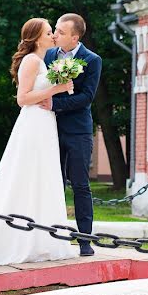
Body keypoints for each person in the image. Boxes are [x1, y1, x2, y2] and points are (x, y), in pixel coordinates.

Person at [0, 18, 79, 267]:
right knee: (26, 176)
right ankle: (16, 241)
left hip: (45, 124)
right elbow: (22, 98)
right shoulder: (31, 60)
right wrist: (55, 90)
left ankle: (41, 240)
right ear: (37, 38)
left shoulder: (44, 61)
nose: (53, 36)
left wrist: (61, 87)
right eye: (49, 32)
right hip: (33, 124)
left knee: (42, 177)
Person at [41, 13, 102, 257]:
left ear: (75, 37)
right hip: (49, 129)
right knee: (51, 184)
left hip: (78, 131)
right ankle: (49, 239)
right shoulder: (48, 55)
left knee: (80, 185)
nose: (55, 35)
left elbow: (87, 97)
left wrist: (55, 104)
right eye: (55, 30)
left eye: (61, 32)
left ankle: (85, 241)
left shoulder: (92, 59)